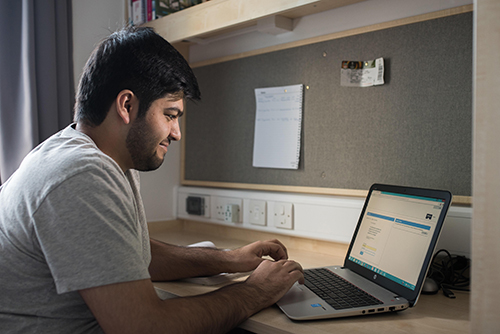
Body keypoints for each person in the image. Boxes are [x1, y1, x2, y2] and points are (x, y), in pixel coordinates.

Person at [0, 26, 304, 333]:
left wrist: (228, 259)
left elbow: (128, 255)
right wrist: (255, 291)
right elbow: (145, 327)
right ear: (127, 106)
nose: (177, 133)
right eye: (170, 115)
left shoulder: (93, 156)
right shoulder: (82, 175)